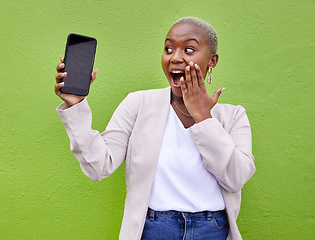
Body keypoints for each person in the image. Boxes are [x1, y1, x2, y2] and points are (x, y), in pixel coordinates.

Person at [54, 17, 255, 240]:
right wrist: (76, 105)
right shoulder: (138, 104)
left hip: (212, 231)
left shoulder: (233, 116)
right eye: (169, 49)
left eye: (189, 49)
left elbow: (236, 178)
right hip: (153, 230)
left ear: (212, 60)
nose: (175, 57)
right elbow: (98, 166)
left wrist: (203, 117)